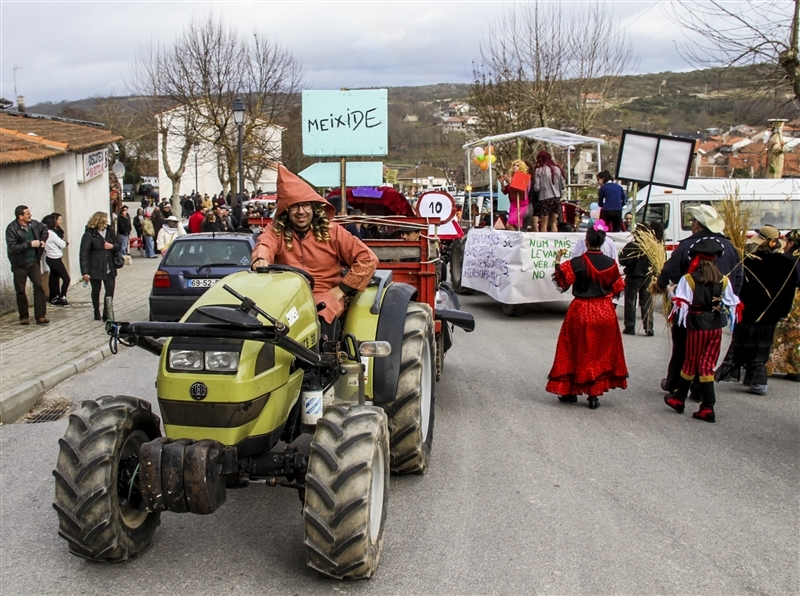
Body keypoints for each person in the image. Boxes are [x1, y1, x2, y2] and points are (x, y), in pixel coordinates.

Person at [251, 165, 378, 331]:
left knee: (323, 311)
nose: (301, 212)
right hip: (286, 295)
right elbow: (265, 245)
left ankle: (326, 353)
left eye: (305, 206)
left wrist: (341, 290)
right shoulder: (276, 231)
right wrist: (261, 259)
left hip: (324, 293)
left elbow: (368, 259)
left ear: (314, 208)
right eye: (295, 206)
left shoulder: (332, 231)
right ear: (286, 211)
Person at [654, 204, 743, 396]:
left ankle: (675, 383)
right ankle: (699, 388)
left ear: (698, 225)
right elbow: (738, 277)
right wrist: (727, 301)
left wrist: (660, 285)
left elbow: (669, 270)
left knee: (684, 347)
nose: (692, 224)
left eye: (693, 221)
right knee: (707, 352)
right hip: (715, 311)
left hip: (692, 310)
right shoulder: (729, 247)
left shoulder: (688, 246)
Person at [546, 220, 628, 409]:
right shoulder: (611, 264)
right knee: (599, 352)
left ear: (586, 240)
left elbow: (563, 281)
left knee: (573, 349)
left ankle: (570, 391)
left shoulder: (578, 262)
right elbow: (617, 288)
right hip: (605, 311)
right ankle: (594, 394)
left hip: (582, 310)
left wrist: (558, 260)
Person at [664, 237, 741, 423]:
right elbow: (732, 302)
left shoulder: (689, 279)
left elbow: (682, 303)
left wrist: (670, 293)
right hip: (715, 327)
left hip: (697, 326)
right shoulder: (723, 280)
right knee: (707, 365)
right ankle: (707, 407)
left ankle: (681, 399)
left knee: (691, 362)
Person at [715, 226, 798, 395]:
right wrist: (782, 312)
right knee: (761, 346)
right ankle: (754, 378)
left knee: (745, 343)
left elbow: (741, 287)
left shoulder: (750, 262)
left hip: (749, 311)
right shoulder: (787, 264)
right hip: (770, 314)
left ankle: (758, 379)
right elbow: (788, 293)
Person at [6, 205, 49, 325]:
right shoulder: (12, 229)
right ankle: (23, 316)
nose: (30, 215)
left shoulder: (34, 224)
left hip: (34, 262)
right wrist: (30, 244)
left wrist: (42, 240)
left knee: (39, 287)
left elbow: (44, 229)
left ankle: (40, 316)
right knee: (20, 290)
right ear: (20, 216)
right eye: (27, 214)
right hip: (19, 264)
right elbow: (13, 248)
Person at [767, 230, 800, 382]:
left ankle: (779, 365)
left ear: (792, 243)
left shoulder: (786, 259)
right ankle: (796, 367)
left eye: (786, 242)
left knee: (784, 334)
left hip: (794, 298)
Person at [80, 211, 121, 321]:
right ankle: (96, 309)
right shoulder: (89, 234)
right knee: (96, 290)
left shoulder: (109, 231)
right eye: (105, 220)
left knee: (110, 290)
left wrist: (112, 246)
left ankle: (106, 312)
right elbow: (84, 254)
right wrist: (85, 272)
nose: (107, 223)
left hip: (109, 266)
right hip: (95, 266)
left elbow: (118, 245)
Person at [619, 223, 655, 336]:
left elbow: (622, 261)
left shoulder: (631, 246)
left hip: (633, 277)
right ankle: (648, 327)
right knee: (647, 303)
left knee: (630, 302)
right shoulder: (652, 247)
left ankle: (630, 327)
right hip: (647, 278)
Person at [532, 151, 565, 232]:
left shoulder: (539, 170)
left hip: (544, 198)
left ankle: (544, 243)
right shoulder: (558, 169)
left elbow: (537, 188)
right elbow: (563, 185)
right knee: (554, 223)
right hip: (556, 198)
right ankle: (554, 241)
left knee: (544, 224)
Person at [42, 213, 70, 307]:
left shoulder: (44, 232)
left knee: (54, 278)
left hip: (49, 257)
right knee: (66, 278)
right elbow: (62, 244)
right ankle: (63, 297)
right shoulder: (51, 234)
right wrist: (65, 243)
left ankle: (54, 297)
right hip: (55, 258)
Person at [499, 160, 530, 231]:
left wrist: (509, 182)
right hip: (513, 204)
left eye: (517, 165)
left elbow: (517, 189)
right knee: (514, 225)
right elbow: (505, 191)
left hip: (521, 204)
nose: (515, 167)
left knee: (509, 225)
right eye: (514, 165)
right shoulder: (512, 177)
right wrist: (502, 183)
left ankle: (517, 238)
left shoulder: (523, 177)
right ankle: (518, 237)